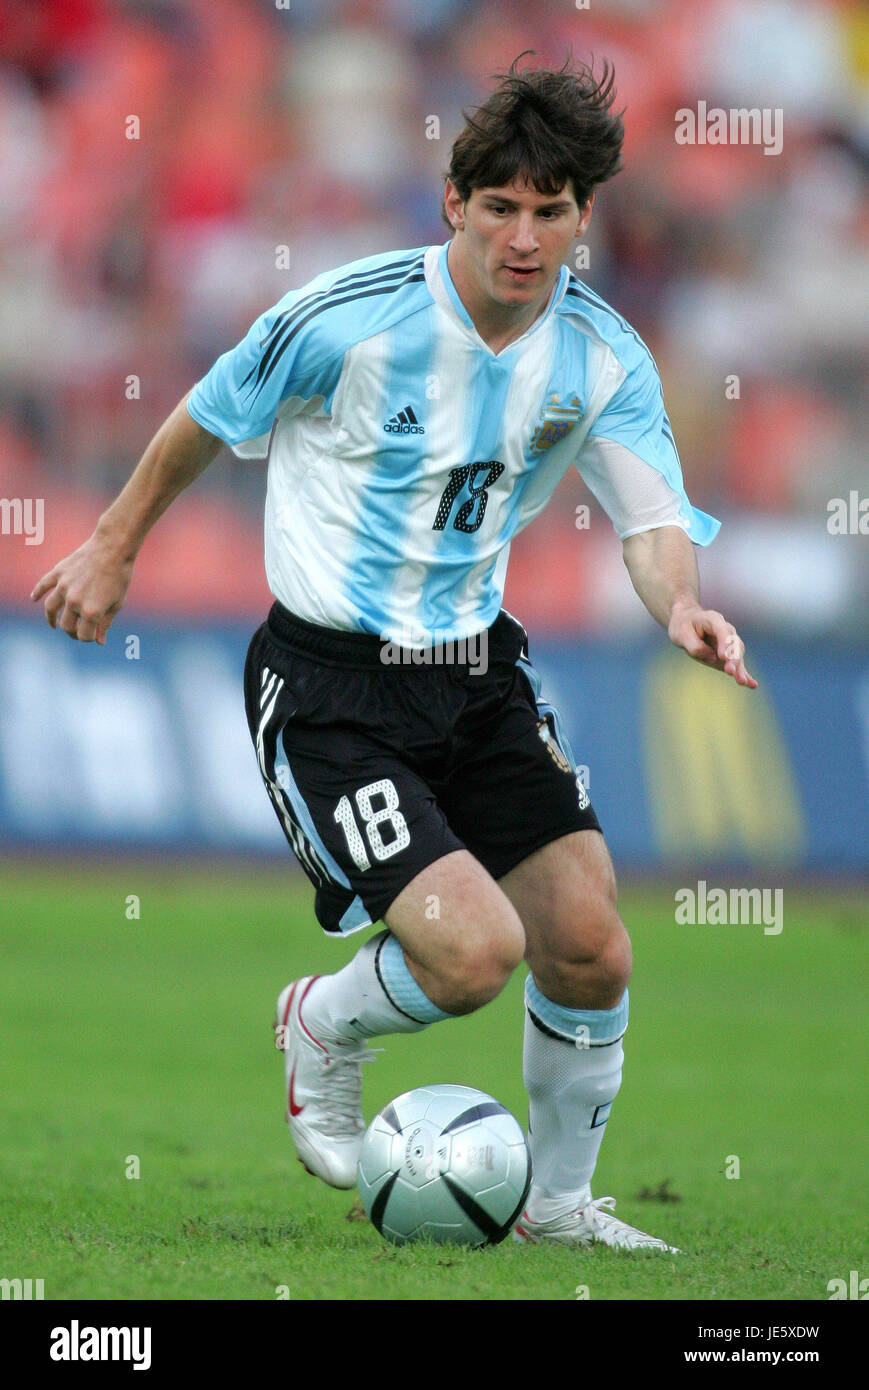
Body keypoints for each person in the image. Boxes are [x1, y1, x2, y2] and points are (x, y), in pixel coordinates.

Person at [32, 56, 756, 1250]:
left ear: (584, 214)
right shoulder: (347, 319)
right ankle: (322, 1019)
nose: (524, 237)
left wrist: (677, 606)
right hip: (330, 687)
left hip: (476, 675)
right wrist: (110, 549)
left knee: (587, 942)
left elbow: (648, 519)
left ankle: (559, 1208)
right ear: (453, 202)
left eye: (551, 210)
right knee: (474, 953)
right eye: (501, 207)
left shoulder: (602, 353)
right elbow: (209, 412)